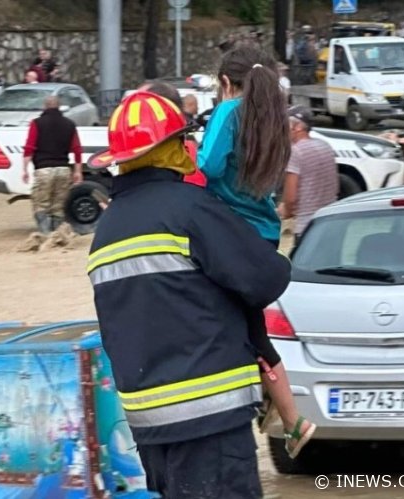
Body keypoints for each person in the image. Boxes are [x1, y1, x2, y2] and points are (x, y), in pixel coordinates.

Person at [86, 91, 292, 498]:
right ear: (167, 151)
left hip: (149, 427)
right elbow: (265, 280)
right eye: (182, 141)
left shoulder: (104, 233)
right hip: (211, 420)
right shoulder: (189, 209)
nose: (188, 148)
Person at [198, 46, 316, 458]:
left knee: (240, 327)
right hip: (264, 234)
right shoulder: (274, 120)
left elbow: (208, 166)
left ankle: (291, 417)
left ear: (226, 83)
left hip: (232, 236)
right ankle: (278, 407)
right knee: (250, 326)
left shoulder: (229, 111)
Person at [22, 95, 83, 234]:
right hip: (63, 170)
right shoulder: (70, 124)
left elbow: (29, 148)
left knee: (41, 205)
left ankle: (45, 234)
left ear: (45, 106)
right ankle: (57, 236)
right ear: (59, 106)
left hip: (44, 170)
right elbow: (77, 149)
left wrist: (25, 169)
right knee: (58, 207)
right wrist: (77, 171)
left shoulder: (36, 123)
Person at [279, 106, 339, 245]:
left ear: (298, 127)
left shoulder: (295, 151)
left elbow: (291, 197)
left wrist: (286, 211)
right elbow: (335, 186)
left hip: (306, 226)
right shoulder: (325, 146)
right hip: (330, 220)